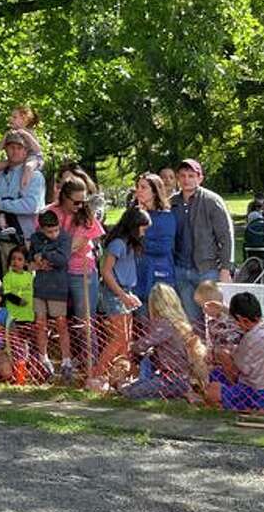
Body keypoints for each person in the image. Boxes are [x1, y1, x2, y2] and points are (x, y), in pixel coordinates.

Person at [88, 207, 150, 391]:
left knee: (126, 339)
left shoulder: (130, 244)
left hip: (125, 291)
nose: (144, 232)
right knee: (118, 337)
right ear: (134, 226)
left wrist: (128, 294)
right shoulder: (117, 244)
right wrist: (122, 295)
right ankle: (97, 374)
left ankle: (120, 376)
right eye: (143, 228)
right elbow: (106, 272)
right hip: (114, 294)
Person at [119, 283, 209, 401]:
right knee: (133, 388)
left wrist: (131, 346)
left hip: (171, 379)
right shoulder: (180, 322)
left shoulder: (163, 324)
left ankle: (116, 383)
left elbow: (142, 345)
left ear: (155, 304)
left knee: (130, 392)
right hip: (180, 377)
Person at [170, 159, 234, 322]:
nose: (186, 180)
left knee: (214, 318)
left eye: (191, 176)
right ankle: (198, 348)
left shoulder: (211, 201)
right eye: (183, 176)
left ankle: (216, 348)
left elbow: (226, 236)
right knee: (191, 319)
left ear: (200, 178)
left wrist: (226, 268)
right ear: (178, 178)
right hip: (181, 269)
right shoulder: (172, 202)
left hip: (207, 269)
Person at [204, 292, 264, 411]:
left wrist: (224, 355)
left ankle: (228, 402)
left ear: (241, 320)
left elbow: (236, 372)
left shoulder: (249, 339)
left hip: (254, 392)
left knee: (212, 388)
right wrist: (223, 308)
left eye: (235, 321)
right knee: (217, 373)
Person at [47, 179, 105, 322]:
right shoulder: (49, 212)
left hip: (81, 273)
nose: (80, 206)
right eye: (76, 202)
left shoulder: (86, 215)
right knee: (58, 321)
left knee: (84, 322)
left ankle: (90, 346)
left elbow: (73, 246)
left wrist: (52, 250)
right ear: (65, 197)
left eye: (83, 202)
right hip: (55, 274)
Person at [29, 209, 72, 379]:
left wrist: (44, 254)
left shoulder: (65, 238)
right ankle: (43, 359)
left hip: (58, 286)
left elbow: (62, 259)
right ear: (41, 229)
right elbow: (32, 256)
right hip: (40, 286)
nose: (54, 234)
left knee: (61, 323)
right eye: (49, 231)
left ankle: (66, 360)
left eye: (56, 230)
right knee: (40, 323)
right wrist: (38, 260)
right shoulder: (35, 238)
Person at [0, 131, 46, 241]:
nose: (15, 151)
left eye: (19, 148)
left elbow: (31, 205)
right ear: (6, 149)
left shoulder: (34, 176)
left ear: (26, 151)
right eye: (11, 147)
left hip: (27, 241)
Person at [134, 173, 175, 304]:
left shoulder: (165, 217)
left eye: (143, 187)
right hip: (137, 275)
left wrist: (139, 239)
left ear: (155, 191)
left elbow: (163, 248)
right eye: (137, 187)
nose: (138, 191)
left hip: (158, 275)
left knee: (159, 321)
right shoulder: (134, 214)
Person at [0, 106, 45, 191]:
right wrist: (6, 136)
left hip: (33, 157)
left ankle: (23, 189)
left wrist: (26, 135)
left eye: (14, 117)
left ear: (24, 120)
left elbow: (38, 150)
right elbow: (0, 147)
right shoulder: (10, 132)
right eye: (11, 117)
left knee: (28, 167)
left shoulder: (28, 132)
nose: (11, 119)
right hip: (16, 159)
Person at [2, 245, 34, 327]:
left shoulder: (29, 276)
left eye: (19, 259)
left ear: (26, 262)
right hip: (14, 316)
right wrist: (18, 301)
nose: (15, 261)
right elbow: (7, 293)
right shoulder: (8, 277)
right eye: (13, 259)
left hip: (28, 315)